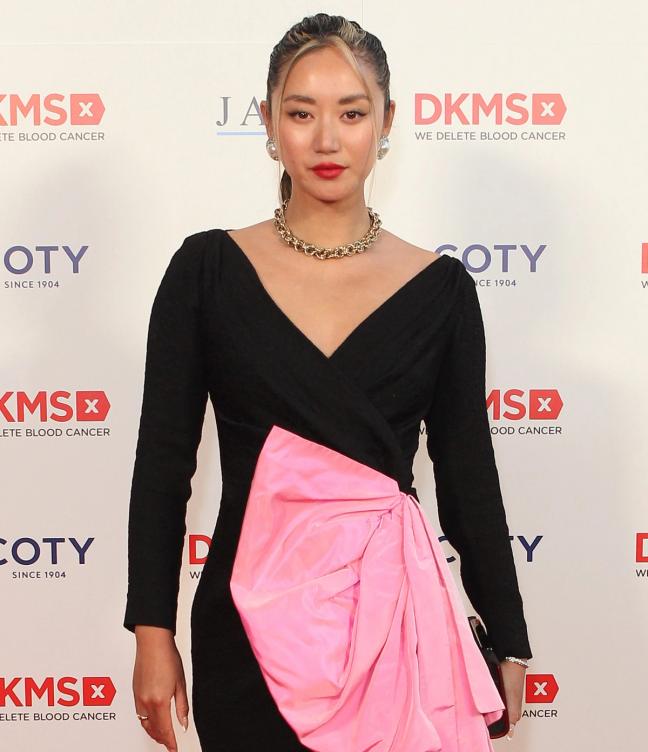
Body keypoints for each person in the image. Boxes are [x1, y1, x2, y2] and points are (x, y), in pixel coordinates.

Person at [124, 12, 532, 752]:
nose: (326, 139)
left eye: (351, 113)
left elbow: (468, 473)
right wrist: (153, 632)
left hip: (394, 626)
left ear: (386, 123)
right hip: (246, 628)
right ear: (268, 122)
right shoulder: (206, 273)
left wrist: (508, 638)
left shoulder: (441, 289)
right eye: (300, 112)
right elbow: (162, 463)